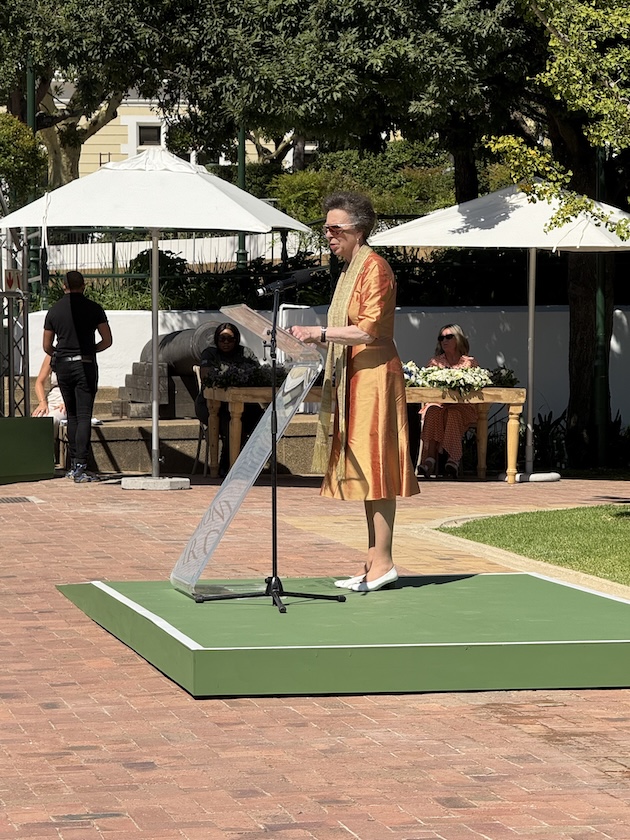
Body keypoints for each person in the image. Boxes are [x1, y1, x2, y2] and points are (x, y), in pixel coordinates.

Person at [290, 192, 419, 593]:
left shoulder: (374, 268)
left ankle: (383, 562)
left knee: (375, 470)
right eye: (325, 228)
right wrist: (315, 340)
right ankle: (373, 561)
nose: (328, 235)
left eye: (335, 228)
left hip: (374, 378)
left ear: (358, 230)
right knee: (364, 471)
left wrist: (320, 332)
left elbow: (369, 329)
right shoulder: (349, 270)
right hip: (354, 376)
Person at [43, 270, 112, 483]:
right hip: (85, 364)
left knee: (72, 415)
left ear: (64, 286)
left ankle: (73, 466)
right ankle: (81, 465)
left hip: (63, 367)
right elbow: (107, 340)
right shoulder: (94, 308)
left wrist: (62, 354)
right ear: (84, 285)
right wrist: (89, 350)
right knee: (83, 415)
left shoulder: (53, 311)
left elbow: (47, 346)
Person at [194, 322, 263, 476]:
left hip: (240, 402)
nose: (225, 343)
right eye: (222, 339)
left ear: (236, 339)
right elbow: (206, 377)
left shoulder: (246, 353)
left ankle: (247, 462)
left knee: (260, 418)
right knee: (228, 422)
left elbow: (257, 374)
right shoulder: (210, 353)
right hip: (210, 404)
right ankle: (226, 466)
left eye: (230, 339)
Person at [417, 324, 479, 480]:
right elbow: (427, 387)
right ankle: (429, 460)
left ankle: (453, 459)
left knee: (453, 413)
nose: (444, 340)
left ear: (458, 339)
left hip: (462, 407)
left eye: (449, 337)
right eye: (441, 338)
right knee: (432, 410)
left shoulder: (469, 363)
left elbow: (475, 389)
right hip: (439, 405)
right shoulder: (434, 363)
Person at [31, 354, 67, 429]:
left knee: (52, 420)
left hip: (67, 400)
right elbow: (39, 382)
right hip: (52, 398)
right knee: (37, 419)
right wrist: (42, 403)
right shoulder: (52, 355)